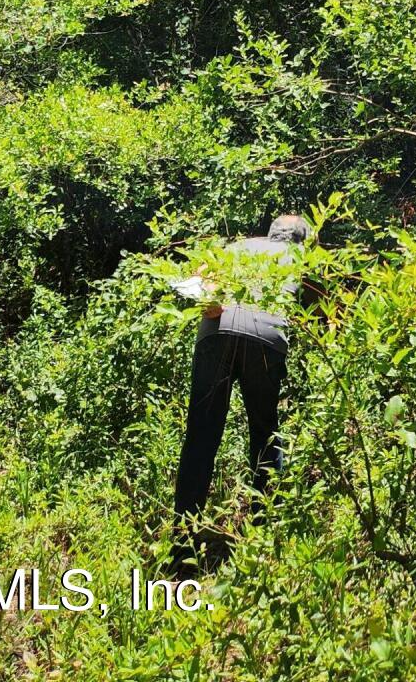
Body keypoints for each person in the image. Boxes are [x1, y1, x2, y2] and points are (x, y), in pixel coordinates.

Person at [169, 212, 310, 571]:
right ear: (302, 239)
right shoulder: (302, 259)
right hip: (266, 341)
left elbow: (197, 280)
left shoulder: (238, 246)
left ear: (271, 232)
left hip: (216, 332)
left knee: (201, 437)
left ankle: (182, 545)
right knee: (265, 434)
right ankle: (262, 537)